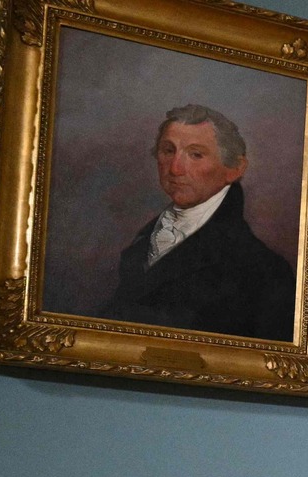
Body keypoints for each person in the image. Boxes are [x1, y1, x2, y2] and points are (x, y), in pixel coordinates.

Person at [100, 104, 295, 341]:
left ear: (235, 169)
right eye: (168, 150)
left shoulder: (265, 271)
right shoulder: (145, 240)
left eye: (196, 155)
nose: (175, 169)